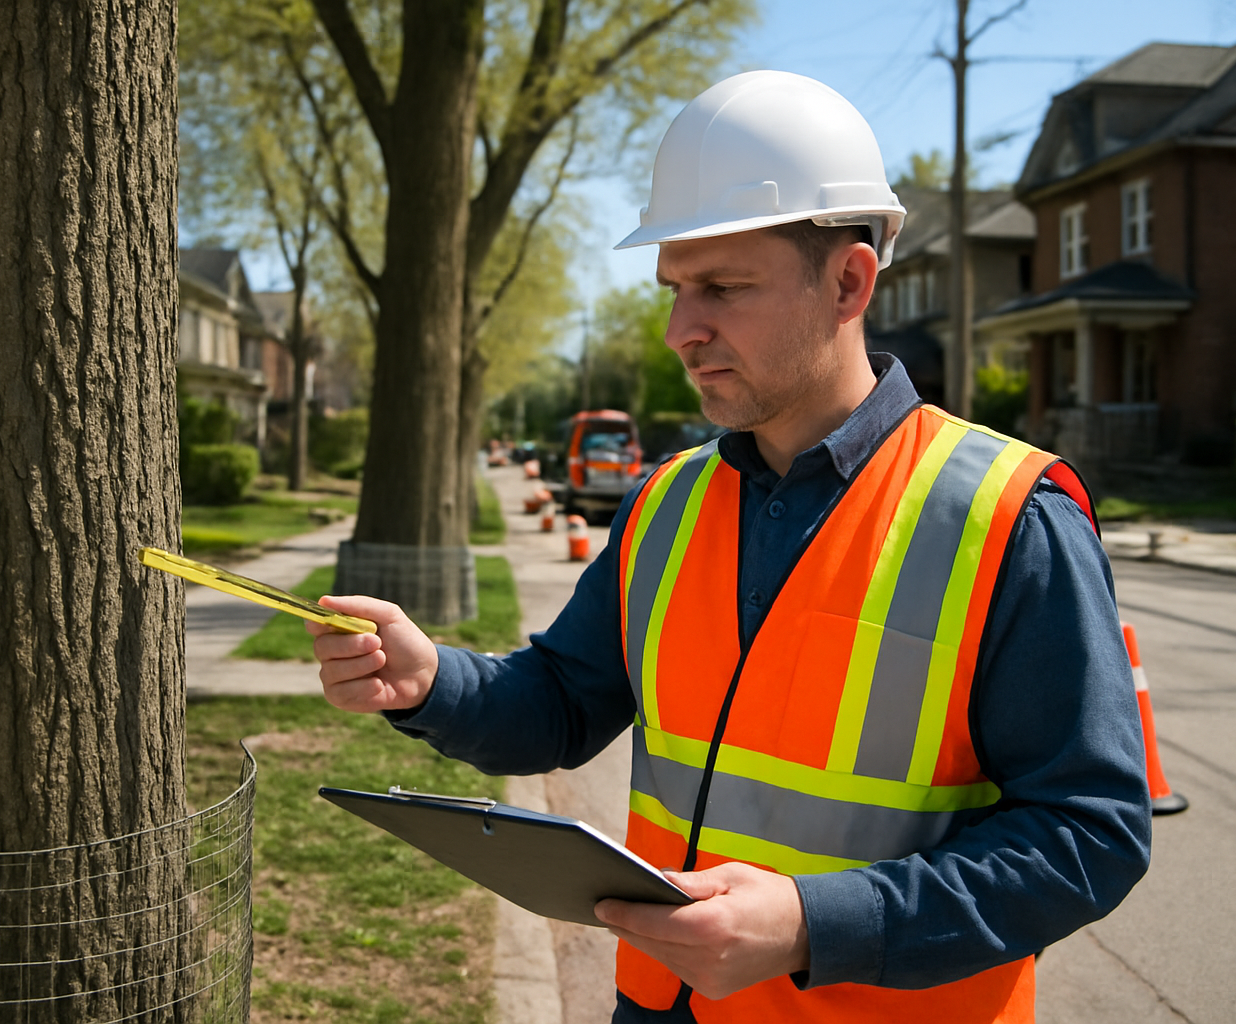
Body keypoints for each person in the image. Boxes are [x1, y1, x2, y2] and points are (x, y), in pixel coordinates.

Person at [307, 71, 1151, 1024]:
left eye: (722, 288)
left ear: (849, 281)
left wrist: (811, 921)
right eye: (673, 289)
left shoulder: (1011, 517)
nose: (679, 331)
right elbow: (561, 704)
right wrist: (428, 682)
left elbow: (1089, 835)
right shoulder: (668, 501)